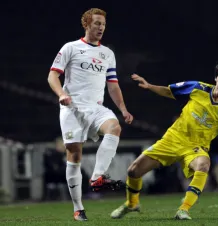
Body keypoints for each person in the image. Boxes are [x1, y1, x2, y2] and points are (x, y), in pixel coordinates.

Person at [110, 60, 218, 220]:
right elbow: (170, 91)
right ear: (216, 78)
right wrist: (149, 86)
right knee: (133, 170)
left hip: (195, 148)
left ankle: (184, 209)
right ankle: (132, 203)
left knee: (203, 164)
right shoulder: (198, 88)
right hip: (172, 139)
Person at [47, 8, 133, 221]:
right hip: (72, 108)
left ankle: (97, 177)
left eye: (103, 24)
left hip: (96, 108)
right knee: (74, 155)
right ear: (86, 24)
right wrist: (61, 93)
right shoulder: (71, 48)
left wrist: (122, 108)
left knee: (114, 127)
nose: (101, 27)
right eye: (96, 23)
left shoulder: (107, 54)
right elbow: (52, 76)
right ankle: (78, 208)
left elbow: (113, 85)